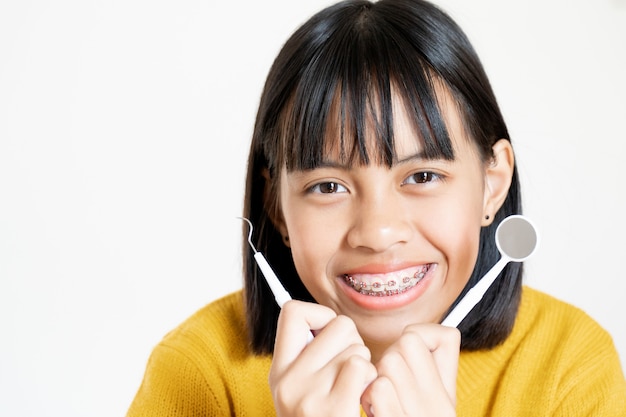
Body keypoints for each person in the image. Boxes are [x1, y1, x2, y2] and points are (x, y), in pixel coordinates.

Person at [126, 0, 626, 415]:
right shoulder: (198, 375)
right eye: (328, 187)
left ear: (491, 185)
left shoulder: (567, 365)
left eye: (423, 176)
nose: (378, 232)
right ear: (276, 208)